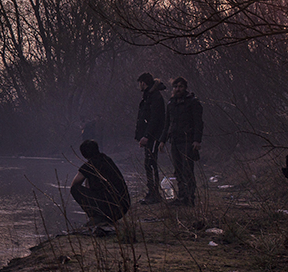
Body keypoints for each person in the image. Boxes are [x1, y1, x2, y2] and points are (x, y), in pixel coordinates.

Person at [161, 77, 204, 206]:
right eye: (175, 87)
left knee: (187, 170)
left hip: (187, 140)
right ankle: (181, 197)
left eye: (180, 86)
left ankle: (190, 198)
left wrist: (197, 140)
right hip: (174, 140)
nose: (177, 89)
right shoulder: (171, 103)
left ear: (185, 87)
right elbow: (167, 123)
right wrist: (162, 140)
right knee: (178, 170)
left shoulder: (192, 102)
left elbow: (198, 123)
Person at [70, 139, 131, 229]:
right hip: (123, 207)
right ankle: (103, 217)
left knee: (75, 190)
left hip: (109, 208)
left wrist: (87, 177)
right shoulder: (107, 160)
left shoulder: (90, 165)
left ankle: (98, 217)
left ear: (83, 154)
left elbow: (74, 184)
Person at [134, 72, 167, 204]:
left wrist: (147, 136)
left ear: (143, 82)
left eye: (140, 83)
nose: (139, 86)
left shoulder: (155, 97)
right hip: (149, 136)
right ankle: (151, 192)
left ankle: (154, 194)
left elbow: (155, 119)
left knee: (151, 163)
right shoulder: (149, 96)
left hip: (153, 137)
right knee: (148, 163)